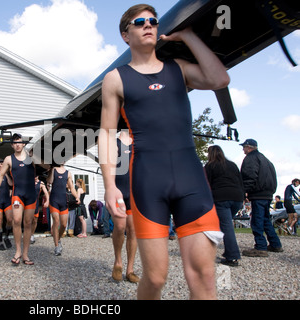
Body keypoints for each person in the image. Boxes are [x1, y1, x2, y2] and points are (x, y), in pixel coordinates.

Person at [99, 4, 229, 300]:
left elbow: (219, 79)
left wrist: (188, 36)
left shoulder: (178, 69)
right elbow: (106, 135)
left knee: (205, 275)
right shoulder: (116, 79)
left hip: (191, 181)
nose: (148, 25)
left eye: (153, 21)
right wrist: (109, 186)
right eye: (140, 22)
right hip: (148, 183)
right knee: (156, 278)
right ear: (125, 35)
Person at [0, 133, 36, 265]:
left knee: (28, 223)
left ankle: (25, 254)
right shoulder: (9, 159)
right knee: (16, 220)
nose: (18, 144)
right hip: (18, 194)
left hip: (31, 195)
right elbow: (0, 176)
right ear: (12, 145)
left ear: (23, 144)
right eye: (15, 142)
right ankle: (17, 251)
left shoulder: (31, 157)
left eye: (20, 142)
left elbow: (46, 167)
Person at [240, 138, 283, 257]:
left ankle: (260, 246)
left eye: (244, 147)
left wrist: (245, 191)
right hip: (268, 193)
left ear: (249, 147)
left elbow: (249, 175)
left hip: (258, 193)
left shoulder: (250, 158)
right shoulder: (266, 159)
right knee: (265, 219)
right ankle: (275, 244)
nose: (243, 150)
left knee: (257, 220)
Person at [205, 145, 245, 267]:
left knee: (226, 226)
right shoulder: (232, 165)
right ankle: (228, 251)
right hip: (237, 197)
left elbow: (208, 184)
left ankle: (232, 256)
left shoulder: (210, 166)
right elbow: (240, 181)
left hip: (221, 197)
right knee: (225, 224)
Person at [111, 131, 139, 282]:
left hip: (135, 192)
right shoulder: (113, 143)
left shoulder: (139, 141)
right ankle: (118, 262)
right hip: (119, 191)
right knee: (120, 227)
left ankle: (130, 270)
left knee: (133, 230)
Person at [47, 164, 79, 256]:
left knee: (64, 225)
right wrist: (50, 171)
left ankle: (58, 238)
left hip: (63, 201)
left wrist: (77, 197)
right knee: (56, 221)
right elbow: (49, 181)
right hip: (54, 200)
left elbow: (72, 187)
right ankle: (57, 246)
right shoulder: (53, 170)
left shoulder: (68, 173)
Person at [31, 176, 49, 244]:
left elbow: (46, 193)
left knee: (35, 220)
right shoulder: (28, 181)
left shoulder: (41, 183)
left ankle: (31, 234)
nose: (34, 177)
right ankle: (28, 235)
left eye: (36, 176)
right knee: (28, 219)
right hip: (28, 203)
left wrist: (47, 201)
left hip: (36, 203)